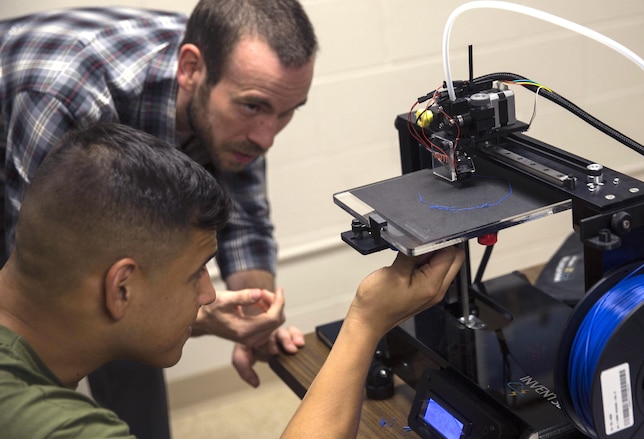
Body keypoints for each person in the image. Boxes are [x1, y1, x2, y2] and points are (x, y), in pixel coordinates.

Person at [0, 122, 465, 438]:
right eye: (195, 273)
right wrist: (365, 322)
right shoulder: (57, 426)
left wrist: (198, 320)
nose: (207, 294)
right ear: (121, 288)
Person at [0, 0, 316, 436]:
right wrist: (196, 316)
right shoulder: (68, 92)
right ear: (191, 69)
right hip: (18, 164)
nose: (267, 136)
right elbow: (52, 279)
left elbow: (242, 220)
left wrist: (253, 318)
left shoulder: (236, 98)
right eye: (254, 107)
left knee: (141, 325)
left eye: (288, 112)